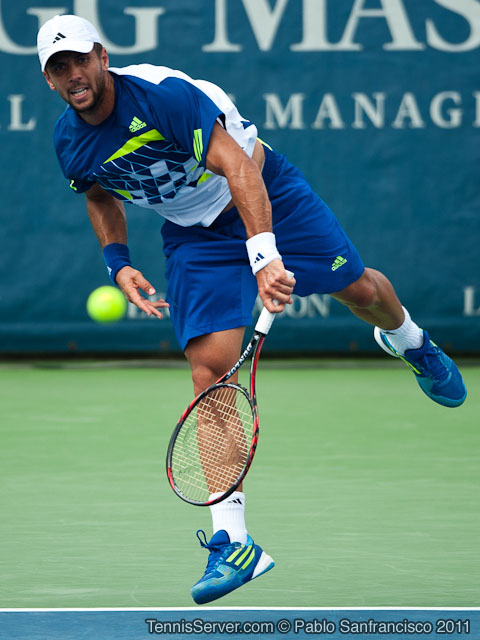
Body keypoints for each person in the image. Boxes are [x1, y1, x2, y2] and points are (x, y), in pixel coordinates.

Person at [38, 14, 467, 605]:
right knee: (209, 372)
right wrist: (118, 261)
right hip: (194, 236)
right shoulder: (70, 139)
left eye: (80, 59)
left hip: (266, 189)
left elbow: (238, 168)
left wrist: (264, 257)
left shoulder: (162, 96)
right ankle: (232, 543)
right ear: (49, 81)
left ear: (102, 57)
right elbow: (99, 193)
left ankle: (412, 341)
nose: (73, 74)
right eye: (58, 68)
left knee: (361, 292)